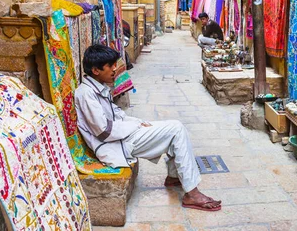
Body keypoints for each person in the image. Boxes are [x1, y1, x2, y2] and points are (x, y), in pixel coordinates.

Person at [74, 45, 222, 211]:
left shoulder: (97, 88)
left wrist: (137, 121)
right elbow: (104, 131)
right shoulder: (86, 93)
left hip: (121, 137)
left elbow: (116, 114)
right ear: (95, 70)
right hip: (114, 145)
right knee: (176, 129)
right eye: (110, 66)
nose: (115, 69)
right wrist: (134, 125)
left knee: (173, 129)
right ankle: (192, 193)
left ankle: (174, 176)